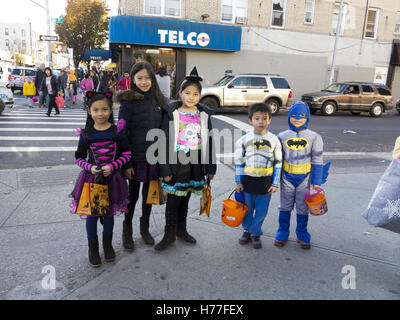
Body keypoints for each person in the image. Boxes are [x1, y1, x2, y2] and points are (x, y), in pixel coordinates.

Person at [156, 67, 217, 251]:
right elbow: (162, 142)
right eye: (187, 93)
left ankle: (181, 230)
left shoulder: (203, 115)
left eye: (196, 94)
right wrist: (165, 169)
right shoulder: (171, 113)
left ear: (200, 95)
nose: (191, 97)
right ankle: (169, 235)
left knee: (186, 198)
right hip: (176, 163)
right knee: (173, 201)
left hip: (195, 164)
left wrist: (210, 167)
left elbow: (209, 141)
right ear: (180, 93)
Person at [69, 91, 131, 267]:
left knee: (109, 214)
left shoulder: (117, 131)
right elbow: (79, 157)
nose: (100, 113)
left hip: (113, 180)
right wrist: (90, 167)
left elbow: (127, 153)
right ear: (89, 111)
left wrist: (114, 165)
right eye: (96, 109)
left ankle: (108, 246)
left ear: (110, 111)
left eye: (104, 109)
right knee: (92, 216)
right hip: (92, 181)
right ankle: (93, 249)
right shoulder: (86, 134)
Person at [117, 61, 166, 250]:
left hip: (153, 157)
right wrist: (126, 163)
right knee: (132, 196)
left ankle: (144, 229)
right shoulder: (128, 101)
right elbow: (122, 133)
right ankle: (127, 231)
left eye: (147, 78)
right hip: (134, 158)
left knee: (149, 196)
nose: (144, 82)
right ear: (133, 80)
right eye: (140, 78)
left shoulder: (158, 100)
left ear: (152, 79)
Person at [274, 101, 330, 249]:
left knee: (302, 207)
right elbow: (277, 159)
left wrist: (316, 181)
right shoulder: (282, 136)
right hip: (287, 177)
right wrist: (275, 180)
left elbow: (318, 159)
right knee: (284, 206)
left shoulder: (314, 137)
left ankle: (302, 233)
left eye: (302, 116)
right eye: (294, 115)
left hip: (305, 179)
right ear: (289, 116)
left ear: (307, 117)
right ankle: (282, 231)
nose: (298, 118)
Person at [234, 103, 282, 249]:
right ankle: (247, 230)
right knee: (247, 209)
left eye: (264, 118)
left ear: (269, 120)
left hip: (266, 183)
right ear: (250, 120)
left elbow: (278, 163)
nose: (261, 121)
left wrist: (275, 183)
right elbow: (238, 162)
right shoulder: (243, 140)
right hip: (248, 181)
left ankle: (256, 233)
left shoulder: (274, 140)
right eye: (257, 118)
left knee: (261, 211)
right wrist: (238, 181)